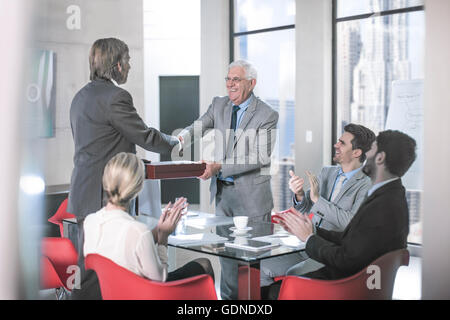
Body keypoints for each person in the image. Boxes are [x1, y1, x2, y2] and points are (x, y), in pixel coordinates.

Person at [68, 38, 180, 298]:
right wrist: (175, 142)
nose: (130, 66)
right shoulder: (116, 97)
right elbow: (145, 136)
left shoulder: (80, 96)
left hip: (80, 196)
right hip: (103, 196)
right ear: (117, 65)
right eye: (128, 60)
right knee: (110, 277)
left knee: (87, 276)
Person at [264, 130, 416, 299]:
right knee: (267, 274)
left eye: (372, 148)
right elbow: (352, 239)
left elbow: (346, 257)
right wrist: (311, 231)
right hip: (348, 271)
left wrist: (309, 238)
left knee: (276, 289)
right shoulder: (390, 195)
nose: (368, 154)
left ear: (380, 158)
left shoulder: (381, 205)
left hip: (345, 284)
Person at [178, 60, 279, 300]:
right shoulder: (219, 105)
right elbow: (199, 126)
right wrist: (180, 139)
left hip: (253, 200)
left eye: (236, 79)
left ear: (251, 83)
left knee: (253, 264)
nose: (230, 84)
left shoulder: (267, 114)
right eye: (228, 79)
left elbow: (259, 157)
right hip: (224, 197)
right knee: (227, 260)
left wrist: (218, 166)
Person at [260, 124, 376, 286]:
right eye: (338, 141)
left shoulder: (366, 184)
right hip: (305, 246)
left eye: (342, 143)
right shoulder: (327, 172)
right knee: (261, 268)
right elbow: (306, 207)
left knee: (294, 275)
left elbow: (351, 223)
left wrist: (317, 199)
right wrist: (299, 194)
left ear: (357, 152)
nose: (336, 145)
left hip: (331, 252)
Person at [83, 152, 214, 289]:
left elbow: (126, 243)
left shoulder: (90, 222)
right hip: (143, 293)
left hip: (113, 292)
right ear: (138, 187)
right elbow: (160, 279)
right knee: (204, 265)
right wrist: (163, 238)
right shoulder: (138, 231)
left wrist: (159, 229)